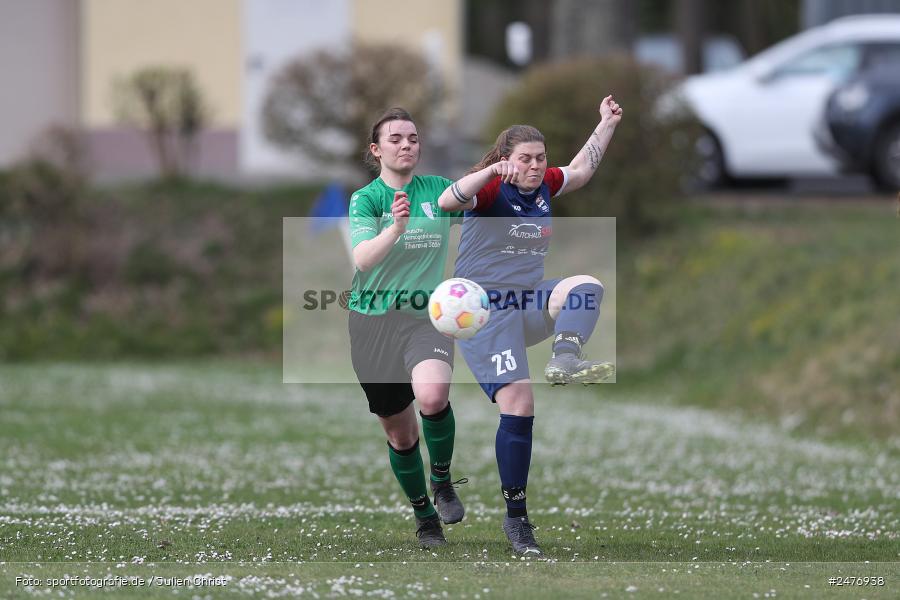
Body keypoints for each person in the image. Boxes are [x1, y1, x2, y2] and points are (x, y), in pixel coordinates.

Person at [436, 95, 623, 557]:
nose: (536, 166)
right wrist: (490, 173)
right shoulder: (490, 190)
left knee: (585, 285)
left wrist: (606, 124)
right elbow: (446, 200)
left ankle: (565, 358)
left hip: (526, 304)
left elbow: (579, 172)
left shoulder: (543, 185)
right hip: (484, 314)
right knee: (519, 403)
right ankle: (517, 521)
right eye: (526, 159)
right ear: (507, 161)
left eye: (540, 158)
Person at [347, 108, 467, 549]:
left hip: (426, 317)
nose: (407, 145)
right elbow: (362, 260)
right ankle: (424, 516)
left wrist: (499, 167)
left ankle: (442, 480)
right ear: (377, 150)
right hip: (372, 325)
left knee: (433, 396)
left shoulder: (436, 190)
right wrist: (395, 228)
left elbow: (474, 197)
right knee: (400, 432)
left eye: (413, 138)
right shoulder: (366, 199)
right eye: (396, 138)